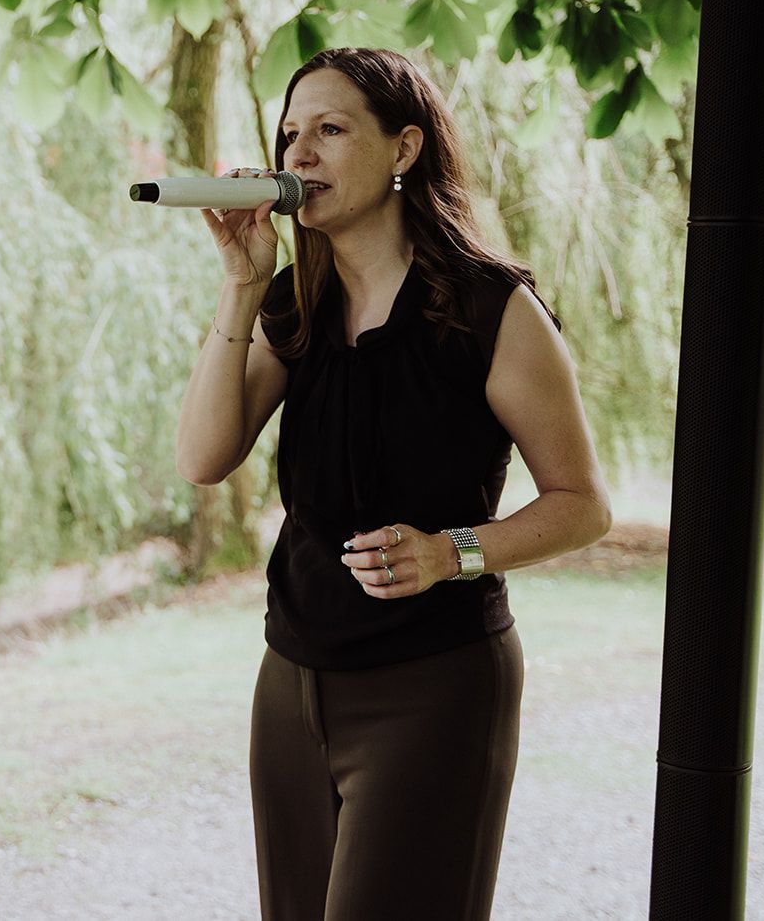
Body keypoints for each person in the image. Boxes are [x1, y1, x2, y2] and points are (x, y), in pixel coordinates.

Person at [174, 46, 613, 921]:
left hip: (434, 687)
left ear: (405, 148)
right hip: (291, 682)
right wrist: (240, 284)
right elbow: (203, 454)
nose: (298, 155)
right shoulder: (293, 302)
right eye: (291, 133)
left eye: (331, 130)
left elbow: (583, 504)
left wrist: (451, 552)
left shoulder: (492, 309)